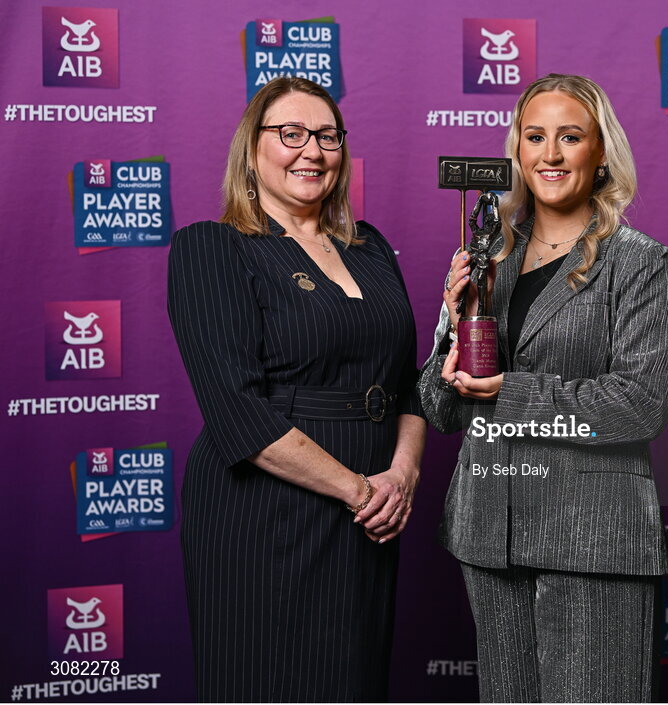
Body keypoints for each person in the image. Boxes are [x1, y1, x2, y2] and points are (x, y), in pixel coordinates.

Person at [418, 74, 668, 702]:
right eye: (535, 137)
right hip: (490, 530)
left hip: (592, 537)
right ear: (517, 152)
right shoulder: (487, 257)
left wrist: (508, 393)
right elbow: (438, 407)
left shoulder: (637, 261)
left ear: (600, 151)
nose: (551, 155)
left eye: (570, 137)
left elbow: (640, 406)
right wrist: (455, 326)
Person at [167, 77, 425, 702]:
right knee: (264, 679)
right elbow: (234, 410)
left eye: (328, 136)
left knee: (352, 680)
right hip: (264, 512)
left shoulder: (371, 250)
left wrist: (401, 477)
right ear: (251, 150)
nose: (312, 150)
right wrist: (358, 489)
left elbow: (408, 386)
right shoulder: (213, 247)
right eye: (291, 134)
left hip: (370, 511)